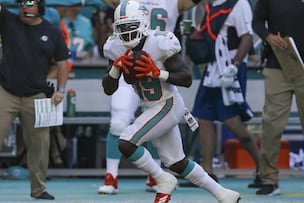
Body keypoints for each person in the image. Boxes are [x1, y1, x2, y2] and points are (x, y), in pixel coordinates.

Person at [102, 1, 241, 203]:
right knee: (177, 162)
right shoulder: (115, 47)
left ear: (142, 23)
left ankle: (161, 178)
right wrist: (115, 70)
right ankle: (224, 194)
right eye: (121, 28)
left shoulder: (159, 42)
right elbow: (108, 89)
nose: (126, 32)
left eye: (130, 26)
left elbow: (186, 78)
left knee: (126, 142)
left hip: (168, 104)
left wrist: (157, 73)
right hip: (151, 106)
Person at [97, 0, 205, 194]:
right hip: (127, 66)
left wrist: (158, 73)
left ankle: (155, 177)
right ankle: (111, 176)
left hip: (158, 67)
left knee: (156, 122)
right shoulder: (125, 7)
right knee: (119, 123)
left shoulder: (173, 3)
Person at [0, 0, 69, 200]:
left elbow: (62, 63)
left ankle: (38, 189)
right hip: (6, 92)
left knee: (40, 145)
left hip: (37, 95)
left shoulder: (52, 31)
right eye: (22, 3)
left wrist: (61, 90)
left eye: (30, 4)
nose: (24, 8)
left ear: (40, 8)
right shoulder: (8, 20)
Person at [181, 0, 261, 188]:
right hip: (213, 68)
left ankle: (263, 167)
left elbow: (247, 37)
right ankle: (207, 173)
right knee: (205, 117)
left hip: (230, 66)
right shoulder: (211, 4)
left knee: (232, 121)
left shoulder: (239, 3)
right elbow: (209, 34)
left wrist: (234, 65)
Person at [252, 0, 304, 196]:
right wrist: (268, 37)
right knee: (271, 125)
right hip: (277, 65)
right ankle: (269, 179)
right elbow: (256, 22)